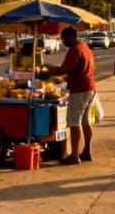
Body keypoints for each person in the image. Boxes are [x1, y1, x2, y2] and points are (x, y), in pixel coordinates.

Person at [42, 27, 96, 165]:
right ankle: (87, 151)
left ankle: (74, 155)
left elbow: (64, 69)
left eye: (64, 38)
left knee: (74, 123)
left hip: (80, 90)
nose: (63, 41)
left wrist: (47, 73)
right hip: (89, 88)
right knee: (85, 122)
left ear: (71, 37)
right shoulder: (84, 46)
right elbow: (74, 70)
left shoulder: (74, 50)